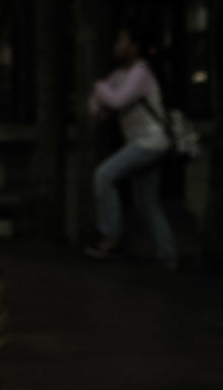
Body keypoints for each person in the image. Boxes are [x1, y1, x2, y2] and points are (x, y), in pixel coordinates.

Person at [85, 24, 179, 269]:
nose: (116, 46)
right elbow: (97, 109)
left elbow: (115, 100)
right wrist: (102, 97)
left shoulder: (140, 73)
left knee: (104, 175)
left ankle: (111, 237)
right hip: (145, 143)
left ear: (134, 48)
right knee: (148, 203)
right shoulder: (120, 76)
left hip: (150, 142)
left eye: (121, 41)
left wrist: (98, 88)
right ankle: (168, 254)